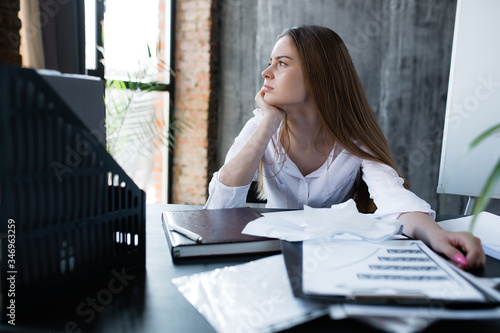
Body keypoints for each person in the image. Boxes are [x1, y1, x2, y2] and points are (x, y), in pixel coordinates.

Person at [204, 25, 485, 269]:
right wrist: (269, 121)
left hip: (337, 260)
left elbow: (394, 199)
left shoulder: (354, 139)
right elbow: (218, 208)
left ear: (318, 76)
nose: (266, 73)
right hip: (271, 257)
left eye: (282, 63)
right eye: (270, 62)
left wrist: (436, 235)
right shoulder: (261, 127)